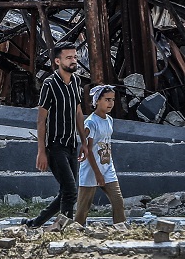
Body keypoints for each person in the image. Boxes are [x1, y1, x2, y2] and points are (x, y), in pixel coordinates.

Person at [25, 43, 86, 230]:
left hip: (71, 144)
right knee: (70, 190)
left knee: (67, 191)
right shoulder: (49, 84)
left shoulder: (76, 81)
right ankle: (63, 228)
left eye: (75, 57)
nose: (73, 61)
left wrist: (84, 141)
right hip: (55, 146)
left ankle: (36, 223)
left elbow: (78, 113)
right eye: (69, 58)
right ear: (57, 61)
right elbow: (41, 120)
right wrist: (41, 152)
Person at [75, 84, 126, 227]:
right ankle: (75, 231)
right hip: (91, 169)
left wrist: (104, 170)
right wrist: (97, 174)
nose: (110, 103)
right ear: (97, 101)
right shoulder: (91, 122)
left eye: (112, 100)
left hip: (107, 166)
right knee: (83, 208)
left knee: (118, 201)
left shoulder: (109, 120)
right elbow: (88, 149)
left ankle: (121, 229)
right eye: (107, 99)